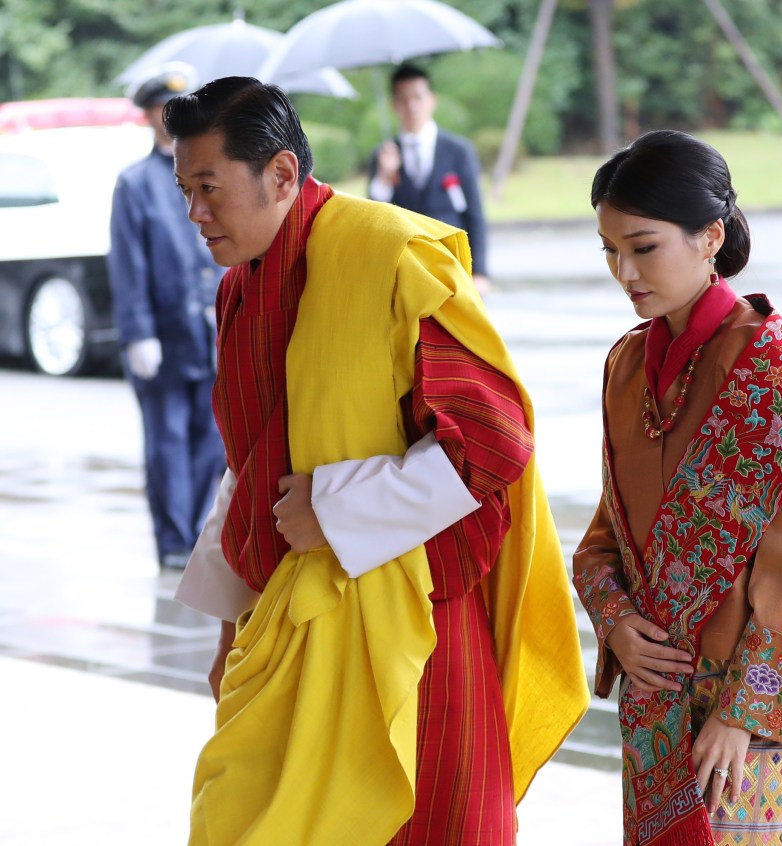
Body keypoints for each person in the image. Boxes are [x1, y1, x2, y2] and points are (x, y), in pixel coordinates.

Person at [163, 76, 588, 845]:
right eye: (185, 188)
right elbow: (251, 462)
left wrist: (335, 507)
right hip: (289, 616)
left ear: (283, 175)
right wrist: (231, 625)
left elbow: (492, 440)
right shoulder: (238, 290)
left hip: (414, 618)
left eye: (208, 188)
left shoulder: (390, 252)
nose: (194, 212)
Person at [572, 130, 782, 846]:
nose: (624, 271)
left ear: (710, 237)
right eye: (610, 250)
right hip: (658, 698)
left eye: (643, 247)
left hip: (751, 718)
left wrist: (740, 714)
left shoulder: (780, 376)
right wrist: (616, 623)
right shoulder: (626, 367)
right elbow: (607, 536)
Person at [107, 62, 225, 570]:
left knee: (214, 440)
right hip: (164, 333)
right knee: (168, 443)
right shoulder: (135, 183)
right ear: (150, 116)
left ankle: (197, 530)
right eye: (162, 110)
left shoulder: (208, 171)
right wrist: (138, 333)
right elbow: (127, 263)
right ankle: (173, 540)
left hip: (210, 332)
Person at [368, 62, 490, 294]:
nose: (411, 106)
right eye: (403, 99)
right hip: (406, 268)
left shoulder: (458, 150)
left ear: (432, 100)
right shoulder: (384, 154)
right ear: (394, 105)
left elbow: (474, 213)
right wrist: (384, 176)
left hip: (452, 264)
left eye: (417, 97)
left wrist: (480, 271)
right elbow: (376, 216)